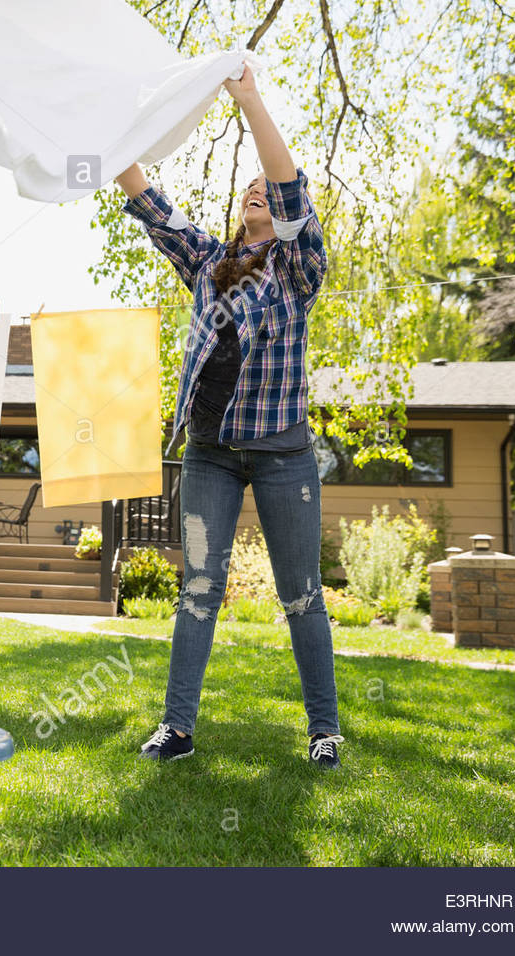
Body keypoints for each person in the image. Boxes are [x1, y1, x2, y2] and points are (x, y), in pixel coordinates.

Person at [114, 65, 343, 769]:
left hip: (282, 456)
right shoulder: (213, 263)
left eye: (267, 193)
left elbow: (288, 183)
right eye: (247, 187)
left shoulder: (298, 269)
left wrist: (248, 98)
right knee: (199, 588)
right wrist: (93, 131)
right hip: (211, 452)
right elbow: (150, 200)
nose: (258, 190)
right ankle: (177, 730)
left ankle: (324, 730)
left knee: (300, 594)